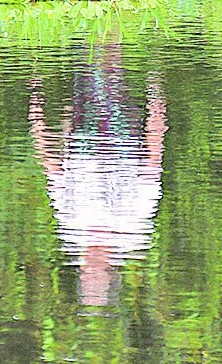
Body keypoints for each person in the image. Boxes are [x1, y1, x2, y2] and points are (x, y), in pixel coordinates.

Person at [29, 43, 166, 309]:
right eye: (94, 279)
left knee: (91, 79)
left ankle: (94, 33)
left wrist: (38, 129)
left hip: (84, 143)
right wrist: (157, 122)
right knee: (108, 81)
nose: (89, 271)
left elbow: (54, 174)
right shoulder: (134, 231)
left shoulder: (70, 232)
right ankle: (107, 29)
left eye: (87, 278)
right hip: (120, 144)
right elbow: (151, 168)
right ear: (110, 273)